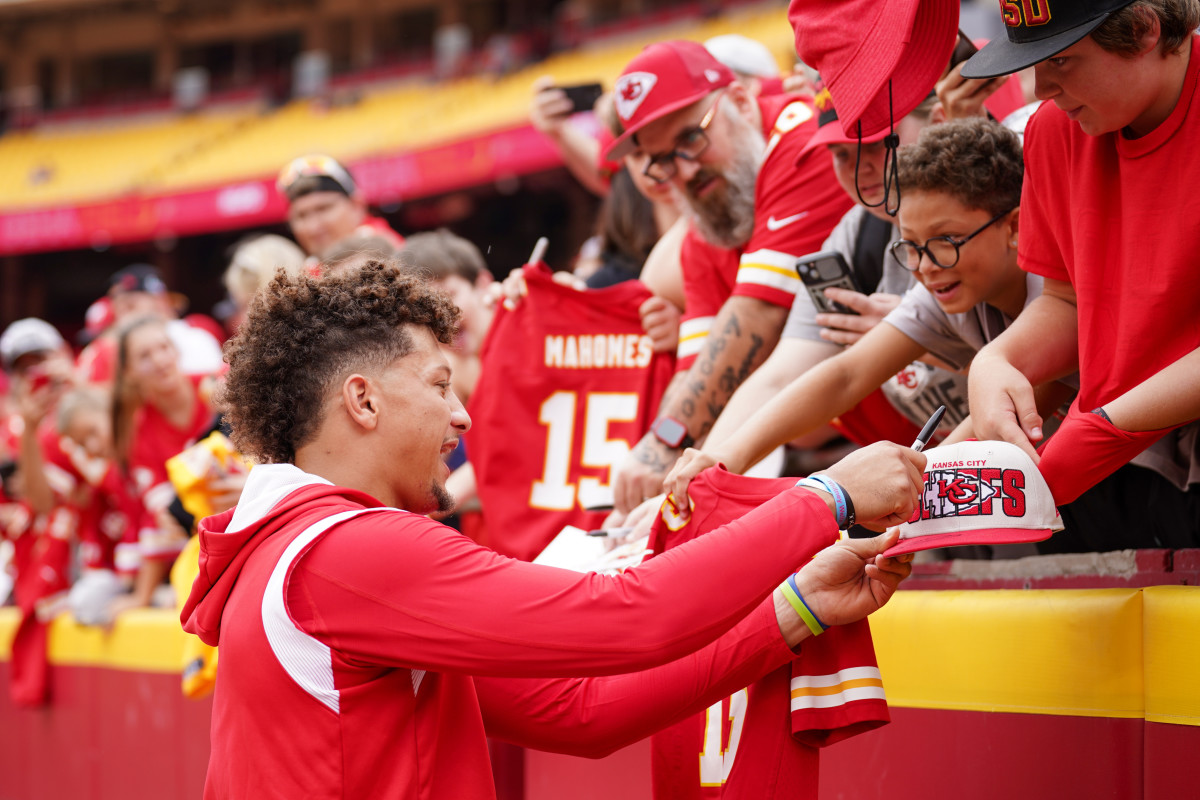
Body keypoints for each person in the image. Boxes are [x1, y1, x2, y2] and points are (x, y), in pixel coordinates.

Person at [181, 260, 925, 798]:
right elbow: (632, 617)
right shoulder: (346, 551)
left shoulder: (300, 546)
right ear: (362, 401)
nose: (463, 415)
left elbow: (580, 713)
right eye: (440, 386)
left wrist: (794, 610)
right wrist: (825, 497)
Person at [664, 119, 1071, 516]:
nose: (924, 266)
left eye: (944, 241)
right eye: (909, 246)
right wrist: (724, 455)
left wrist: (912, 480)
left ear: (1015, 226)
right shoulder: (941, 281)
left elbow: (1014, 399)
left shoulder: (1054, 288)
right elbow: (845, 375)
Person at [961, 0, 1200, 548]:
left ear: (1143, 31)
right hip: (1136, 462)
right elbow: (1066, 300)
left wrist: (1107, 427)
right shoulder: (1053, 130)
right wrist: (996, 361)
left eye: (1062, 59)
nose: (1040, 86)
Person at [606, 40, 854, 513]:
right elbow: (699, 371)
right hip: (831, 454)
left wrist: (663, 449)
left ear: (740, 101)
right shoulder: (710, 216)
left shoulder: (803, 139)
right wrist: (667, 477)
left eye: (690, 138)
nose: (684, 169)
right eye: (661, 158)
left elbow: (754, 317)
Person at [276, 153, 405, 262]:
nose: (313, 227)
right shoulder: (312, 268)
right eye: (301, 215)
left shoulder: (384, 255)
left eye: (323, 209)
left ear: (357, 205)